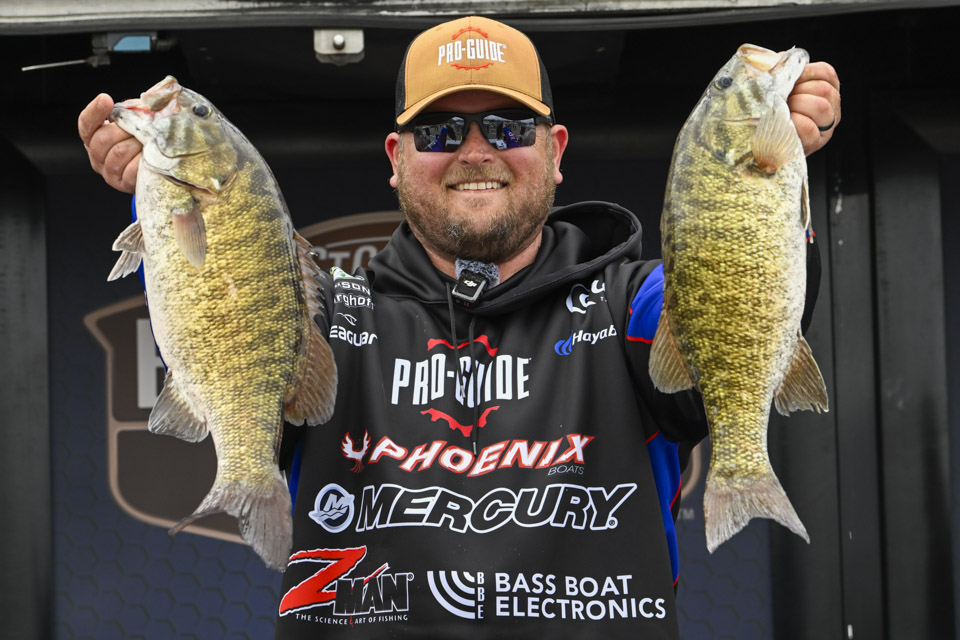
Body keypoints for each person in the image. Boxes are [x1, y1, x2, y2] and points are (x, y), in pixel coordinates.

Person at [78, 15, 840, 639]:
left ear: (555, 150)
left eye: (509, 127)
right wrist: (163, 200)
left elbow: (736, 293)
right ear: (396, 157)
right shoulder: (327, 316)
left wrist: (774, 172)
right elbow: (222, 298)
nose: (476, 152)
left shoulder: (632, 306)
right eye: (441, 132)